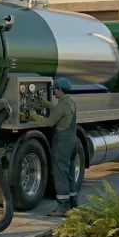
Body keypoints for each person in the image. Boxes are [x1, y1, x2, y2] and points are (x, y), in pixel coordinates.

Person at [29, 77, 79, 217]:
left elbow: (50, 122)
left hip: (62, 143)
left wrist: (33, 115)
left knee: (60, 175)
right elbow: (58, 110)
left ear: (59, 89)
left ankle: (63, 207)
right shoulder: (70, 102)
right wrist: (44, 102)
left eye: (55, 90)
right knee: (69, 174)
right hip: (72, 142)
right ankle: (74, 204)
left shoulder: (62, 105)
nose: (54, 93)